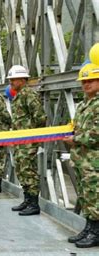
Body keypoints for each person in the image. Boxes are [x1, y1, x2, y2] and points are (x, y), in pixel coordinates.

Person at [63, 63, 99, 248]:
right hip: (83, 160)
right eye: (84, 81)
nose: (86, 85)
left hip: (94, 161)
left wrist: (75, 139)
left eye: (91, 80)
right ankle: (89, 228)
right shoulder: (85, 104)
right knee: (86, 196)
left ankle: (96, 232)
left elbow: (96, 134)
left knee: (95, 197)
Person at [8, 65, 47, 216]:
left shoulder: (28, 95)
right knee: (21, 169)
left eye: (13, 79)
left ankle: (34, 203)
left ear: (23, 80)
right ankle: (27, 199)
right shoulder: (18, 96)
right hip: (20, 140)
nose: (11, 82)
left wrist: (32, 136)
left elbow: (40, 117)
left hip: (28, 141)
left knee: (28, 170)